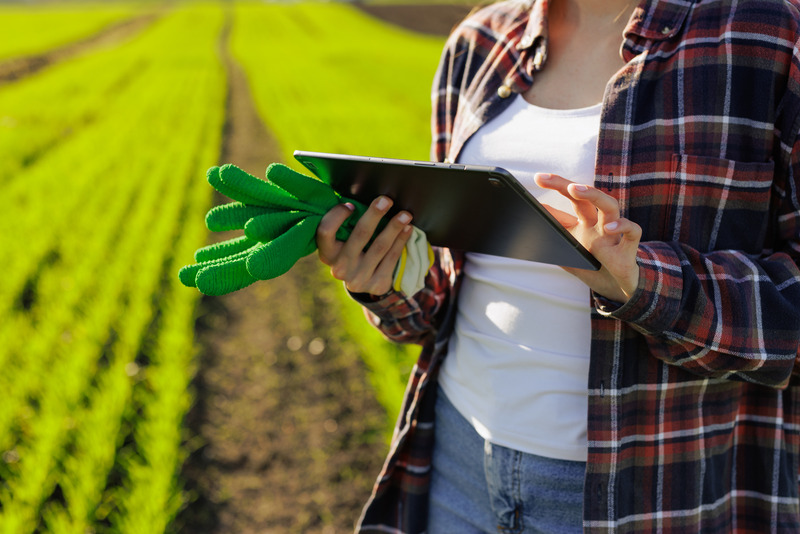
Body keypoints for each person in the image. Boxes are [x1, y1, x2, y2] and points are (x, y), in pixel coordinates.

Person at [316, 0, 800, 531]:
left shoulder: (768, 34)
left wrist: (647, 285)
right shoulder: (480, 40)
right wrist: (384, 283)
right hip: (456, 462)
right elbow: (442, 297)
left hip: (643, 493)